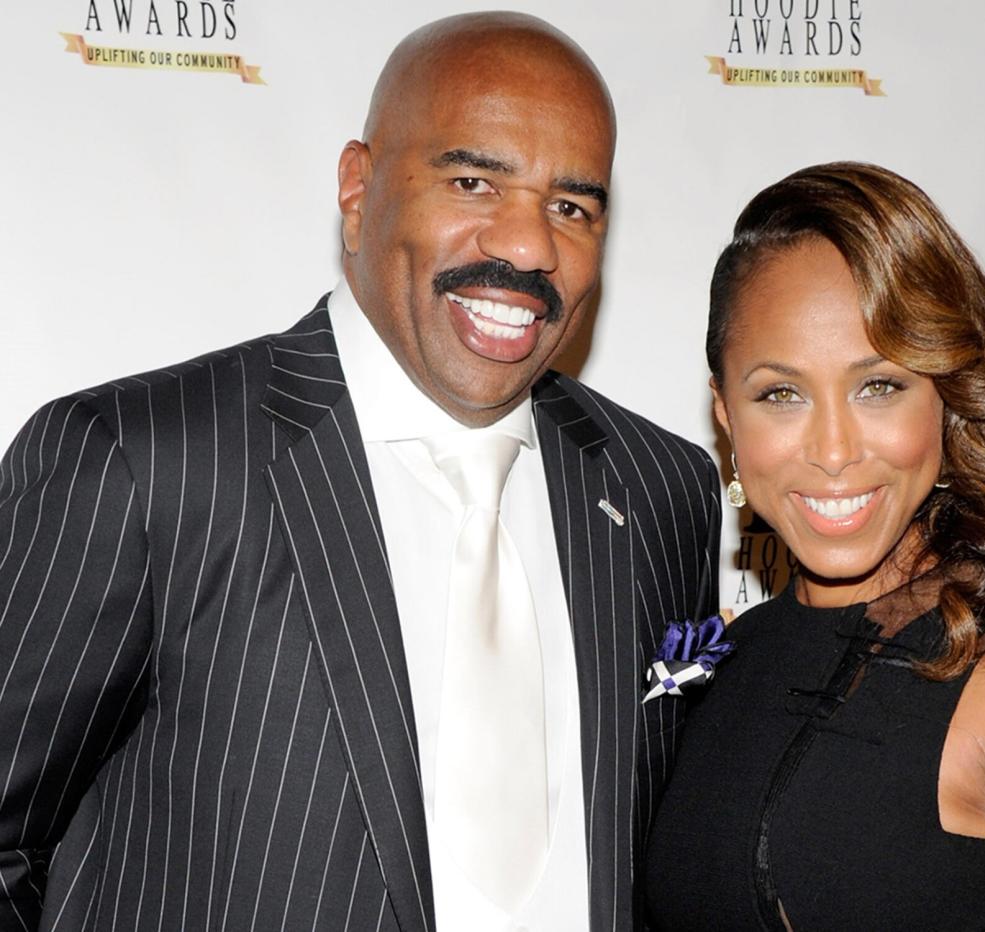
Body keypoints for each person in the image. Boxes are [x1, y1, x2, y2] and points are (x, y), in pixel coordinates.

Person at [0, 13, 719, 931]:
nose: (531, 246)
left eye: (571, 207)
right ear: (358, 186)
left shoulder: (664, 492)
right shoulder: (140, 462)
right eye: (474, 180)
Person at [644, 163, 985, 930]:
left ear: (948, 397)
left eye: (879, 386)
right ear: (725, 415)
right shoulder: (733, 655)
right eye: (780, 394)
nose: (833, 450)